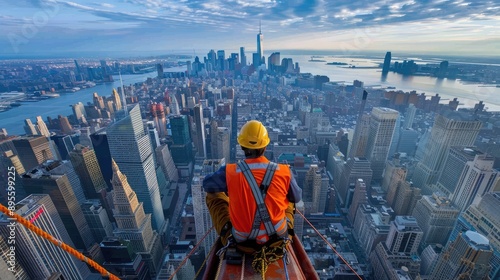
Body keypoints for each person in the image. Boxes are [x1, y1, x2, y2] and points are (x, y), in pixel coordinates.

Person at [203, 120, 302, 256]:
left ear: (242, 146)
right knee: (289, 198)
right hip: (278, 240)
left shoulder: (230, 172)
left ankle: (229, 228)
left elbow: (207, 184)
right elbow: (297, 197)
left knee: (213, 194)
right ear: (265, 146)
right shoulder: (284, 171)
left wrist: (232, 190)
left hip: (242, 243)